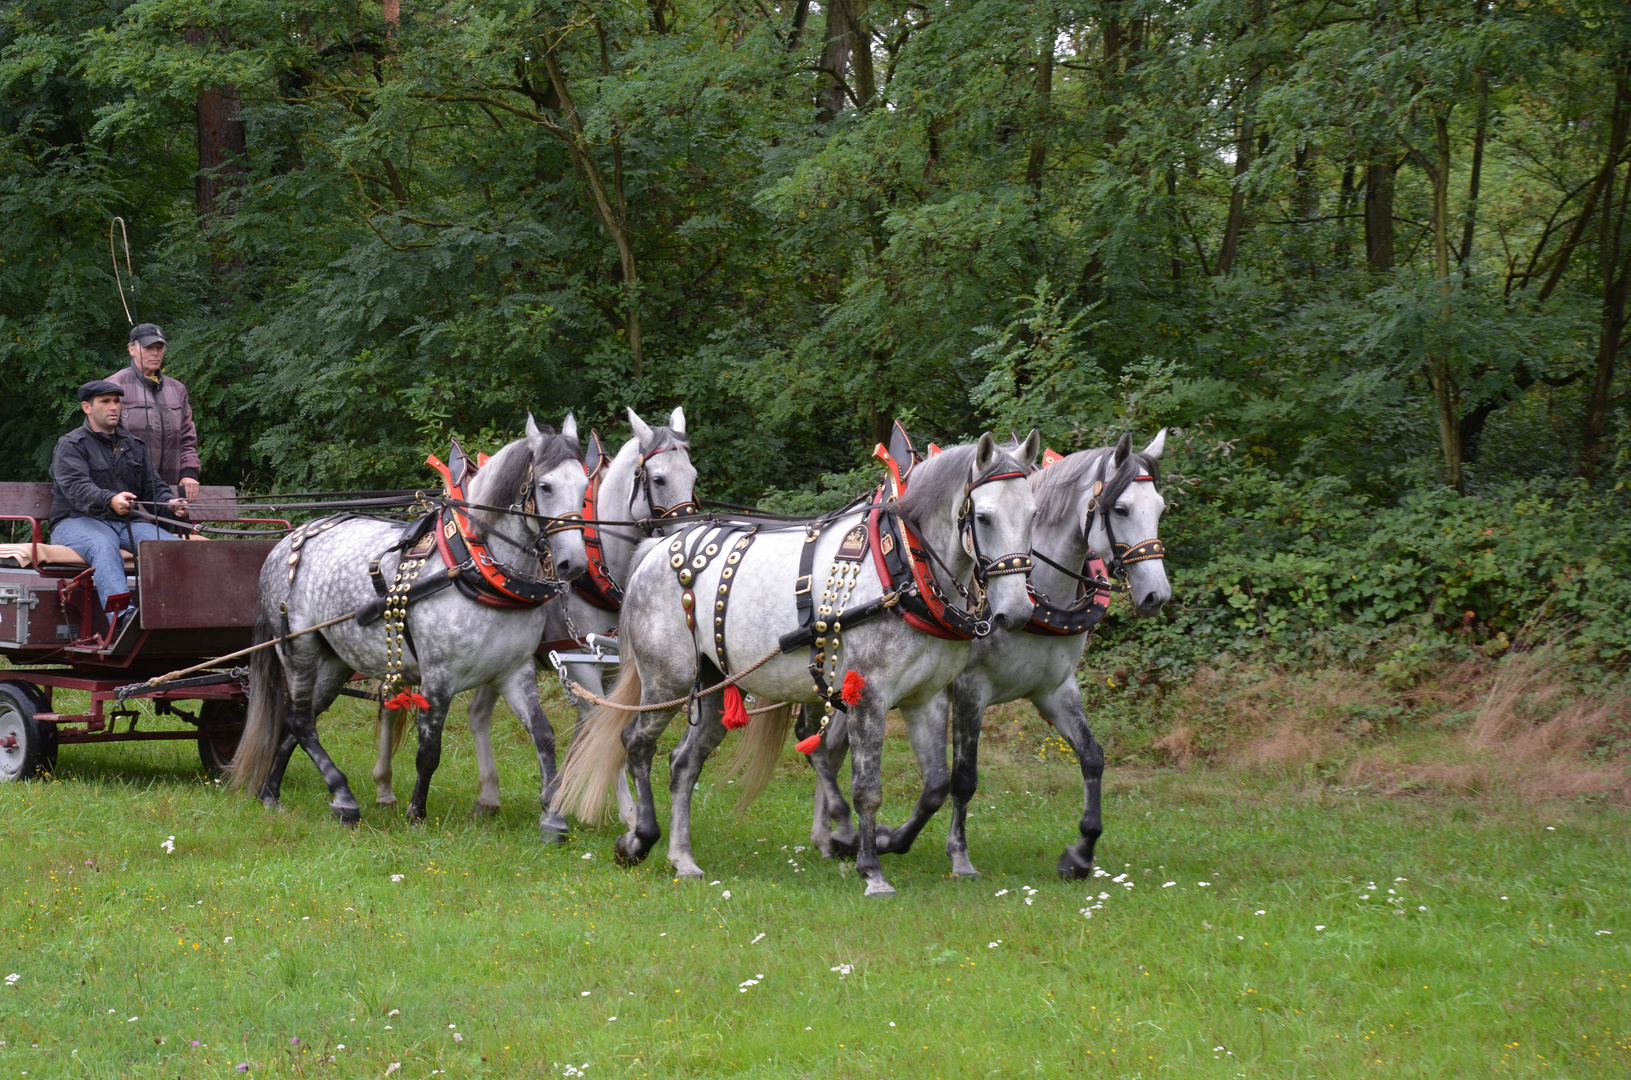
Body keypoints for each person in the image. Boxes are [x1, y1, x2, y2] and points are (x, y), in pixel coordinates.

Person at [49, 380, 190, 624]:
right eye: (105, 402)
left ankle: (173, 612)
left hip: (126, 521)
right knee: (104, 544)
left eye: (116, 401)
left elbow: (153, 486)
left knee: (170, 547)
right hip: (75, 521)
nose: (113, 407)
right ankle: (122, 618)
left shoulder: (134, 445)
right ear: (87, 407)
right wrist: (110, 499)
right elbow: (77, 488)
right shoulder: (71, 445)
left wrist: (170, 502)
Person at [107, 322, 201, 500]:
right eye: (148, 347)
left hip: (171, 492)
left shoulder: (178, 389)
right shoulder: (113, 386)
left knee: (174, 529)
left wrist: (189, 473)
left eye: (160, 347)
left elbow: (187, 438)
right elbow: (101, 440)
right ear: (131, 349)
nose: (155, 353)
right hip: (127, 491)